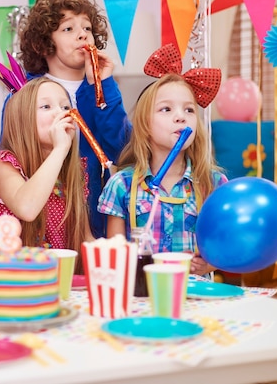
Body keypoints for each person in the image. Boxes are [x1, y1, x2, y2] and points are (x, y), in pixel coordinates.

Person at [10, 0, 131, 239]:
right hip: (45, 224)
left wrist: (101, 83)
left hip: (98, 220)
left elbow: (122, 149)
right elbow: (15, 154)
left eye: (87, 28)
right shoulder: (24, 94)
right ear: (43, 44)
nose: (83, 35)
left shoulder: (104, 87)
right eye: (68, 28)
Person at [97, 67, 227, 276]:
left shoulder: (214, 184)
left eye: (189, 110)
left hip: (194, 300)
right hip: (141, 300)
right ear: (145, 124)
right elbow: (115, 255)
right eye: (166, 109)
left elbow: (225, 247)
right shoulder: (122, 185)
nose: (180, 117)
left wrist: (208, 265)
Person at [0, 77, 93, 273]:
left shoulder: (74, 175)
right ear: (22, 119)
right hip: (2, 282)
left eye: (65, 107)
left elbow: (84, 237)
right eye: (46, 106)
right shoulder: (4, 164)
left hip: (50, 282)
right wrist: (60, 149)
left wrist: (109, 252)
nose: (60, 113)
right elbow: (27, 208)